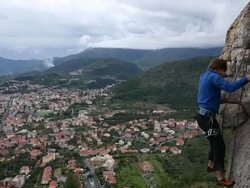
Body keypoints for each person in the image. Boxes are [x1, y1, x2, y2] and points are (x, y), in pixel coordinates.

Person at [196, 58, 250, 187]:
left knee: (215, 142)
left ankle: (211, 164)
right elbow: (230, 87)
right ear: (219, 68)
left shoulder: (204, 75)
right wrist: (246, 78)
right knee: (219, 147)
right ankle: (220, 179)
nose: (223, 74)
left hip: (203, 117)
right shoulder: (214, 77)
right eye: (223, 71)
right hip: (207, 119)